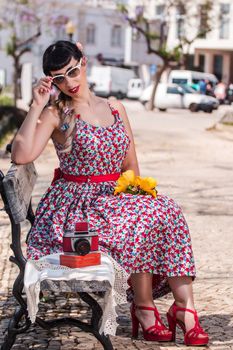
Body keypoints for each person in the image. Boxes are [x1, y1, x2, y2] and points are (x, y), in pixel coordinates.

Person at [11, 41, 209, 346]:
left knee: (163, 209)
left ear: (84, 62)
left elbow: (131, 166)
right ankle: (146, 309)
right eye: (60, 78)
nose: (70, 82)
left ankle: (186, 309)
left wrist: (138, 198)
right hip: (76, 208)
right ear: (53, 82)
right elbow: (21, 155)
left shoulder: (116, 108)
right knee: (146, 217)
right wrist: (37, 104)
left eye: (73, 71)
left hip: (112, 200)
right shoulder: (57, 113)